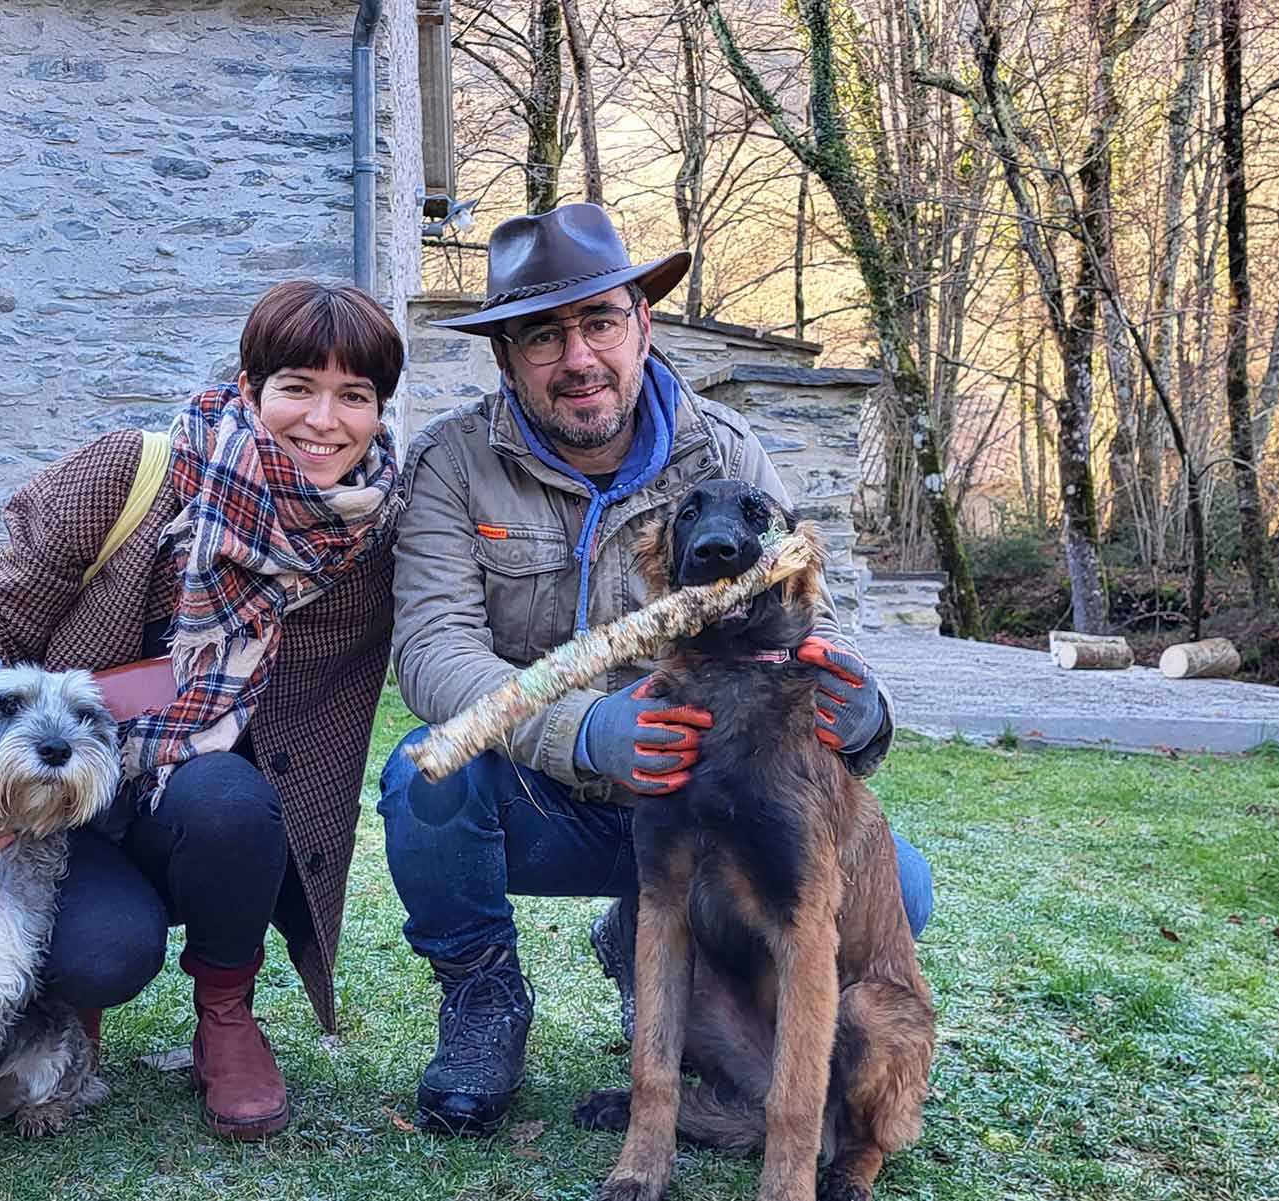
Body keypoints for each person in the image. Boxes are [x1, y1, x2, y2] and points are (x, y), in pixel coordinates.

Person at [377, 204, 935, 1136]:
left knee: (900, 888)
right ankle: (482, 997)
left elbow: (809, 617)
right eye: (543, 336)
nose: (578, 357)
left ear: (643, 323)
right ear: (506, 358)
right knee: (420, 778)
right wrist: (588, 733)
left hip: (707, 793)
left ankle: (669, 965)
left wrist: (866, 709)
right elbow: (434, 650)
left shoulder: (727, 451)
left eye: (600, 321)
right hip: (545, 788)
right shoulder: (450, 465)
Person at [0, 281, 406, 1141]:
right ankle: (60, 1003)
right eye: (297, 387)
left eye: (353, 395)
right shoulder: (130, 475)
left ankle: (226, 1016)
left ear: (378, 410)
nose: (324, 419)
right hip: (61, 796)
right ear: (249, 389)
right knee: (99, 952)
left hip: (206, 810)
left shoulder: (376, 534)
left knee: (229, 803)